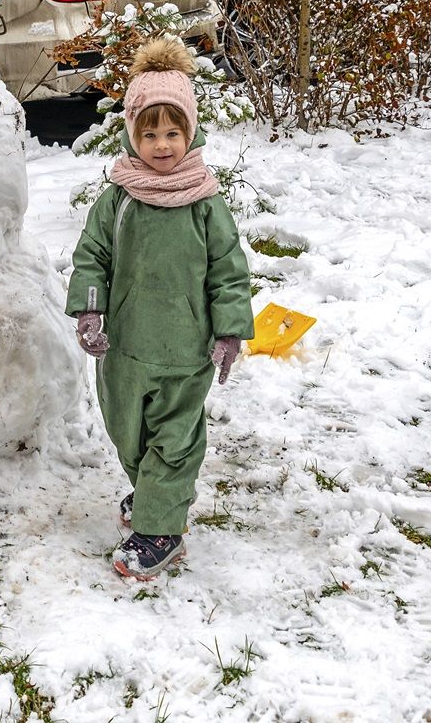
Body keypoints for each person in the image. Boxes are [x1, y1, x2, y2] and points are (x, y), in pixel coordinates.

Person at [66, 37, 255, 581]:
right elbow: (92, 258)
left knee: (175, 439)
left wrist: (228, 331)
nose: (163, 145)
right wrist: (90, 311)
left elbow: (228, 270)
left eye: (173, 132)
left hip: (183, 349)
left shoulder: (204, 202)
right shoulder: (119, 199)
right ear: (132, 135)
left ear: (190, 133)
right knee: (129, 432)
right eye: (150, 133)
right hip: (124, 349)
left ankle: (161, 529)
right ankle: (151, 494)